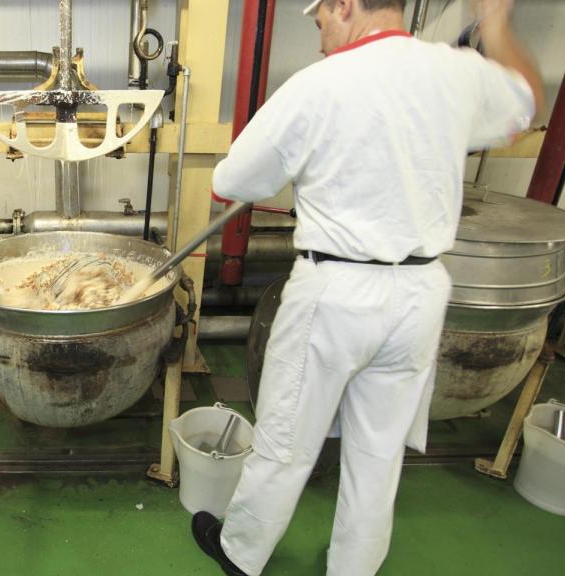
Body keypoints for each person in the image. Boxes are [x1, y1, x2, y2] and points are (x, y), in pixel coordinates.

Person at [191, 1, 542, 575]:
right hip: (420, 294)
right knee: (379, 452)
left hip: (336, 293)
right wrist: (498, 26)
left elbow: (232, 181)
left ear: (346, 6)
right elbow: (527, 102)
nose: (320, 36)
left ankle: (241, 552)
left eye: (320, 20)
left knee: (286, 439)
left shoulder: (318, 86)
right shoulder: (456, 73)